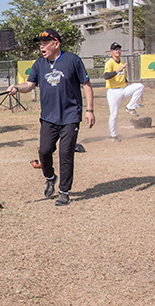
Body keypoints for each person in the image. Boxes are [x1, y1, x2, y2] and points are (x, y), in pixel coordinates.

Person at [7, 28, 95, 206]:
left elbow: (86, 84)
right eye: (40, 43)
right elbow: (30, 85)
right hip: (48, 117)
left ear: (56, 43)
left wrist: (89, 110)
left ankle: (64, 191)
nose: (42, 46)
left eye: (45, 43)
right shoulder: (39, 64)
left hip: (70, 115)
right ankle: (50, 177)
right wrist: (17, 87)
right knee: (44, 151)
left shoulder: (72, 60)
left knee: (66, 153)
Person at [103, 42, 145, 142]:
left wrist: (128, 84)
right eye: (115, 49)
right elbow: (106, 76)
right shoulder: (109, 63)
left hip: (123, 89)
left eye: (119, 49)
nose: (118, 51)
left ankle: (130, 106)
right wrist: (118, 70)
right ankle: (113, 136)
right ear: (111, 52)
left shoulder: (122, 63)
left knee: (140, 86)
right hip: (113, 91)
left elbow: (122, 77)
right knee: (114, 114)